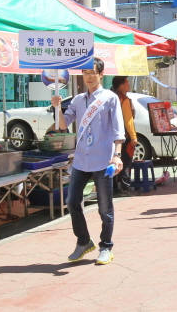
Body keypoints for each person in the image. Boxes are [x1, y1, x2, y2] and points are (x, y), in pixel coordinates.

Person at [51, 58, 125, 265]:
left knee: (104, 208)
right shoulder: (77, 100)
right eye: (85, 72)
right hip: (81, 159)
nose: (89, 76)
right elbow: (63, 125)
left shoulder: (110, 98)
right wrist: (57, 107)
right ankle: (84, 241)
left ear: (101, 74)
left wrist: (117, 154)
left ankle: (106, 247)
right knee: (72, 202)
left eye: (92, 72)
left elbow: (119, 129)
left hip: (104, 160)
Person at [112, 76, 138, 191]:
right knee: (126, 162)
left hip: (110, 136)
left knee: (112, 162)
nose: (129, 84)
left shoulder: (111, 98)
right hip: (124, 136)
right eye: (127, 82)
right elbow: (129, 120)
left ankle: (113, 188)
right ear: (121, 85)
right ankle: (124, 187)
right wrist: (133, 137)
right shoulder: (124, 100)